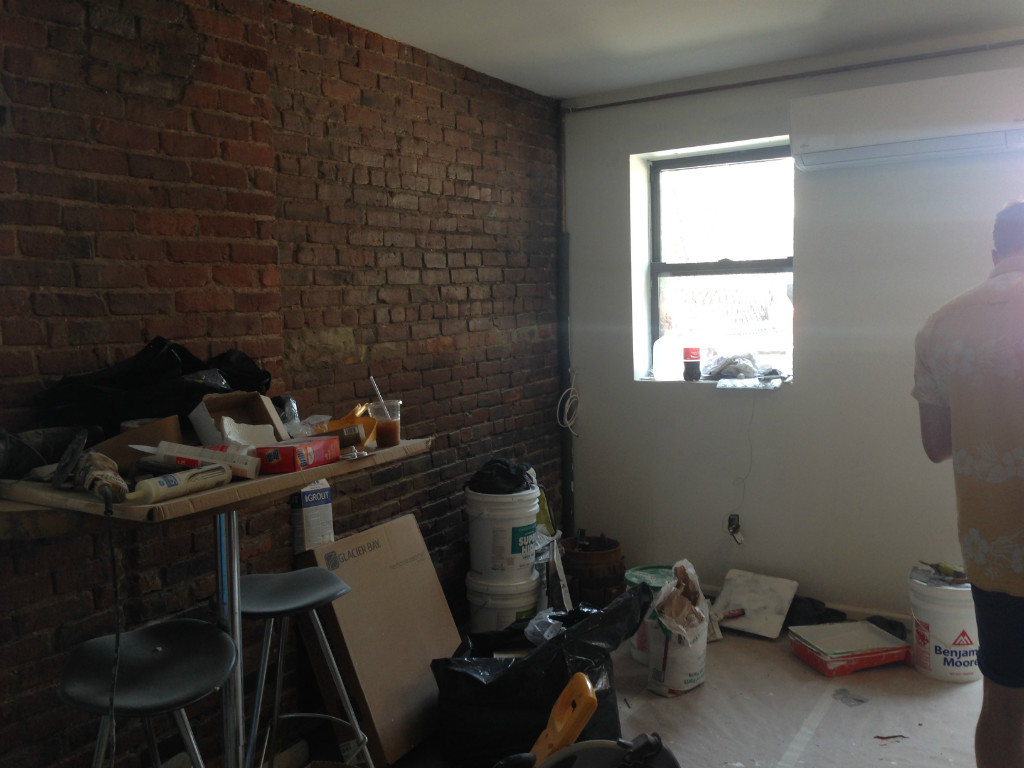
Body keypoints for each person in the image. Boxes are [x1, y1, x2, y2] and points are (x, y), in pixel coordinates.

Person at [913, 200, 1024, 768]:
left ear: (994, 251)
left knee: (1003, 702)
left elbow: (936, 445)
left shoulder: (941, 324)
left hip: (995, 552)